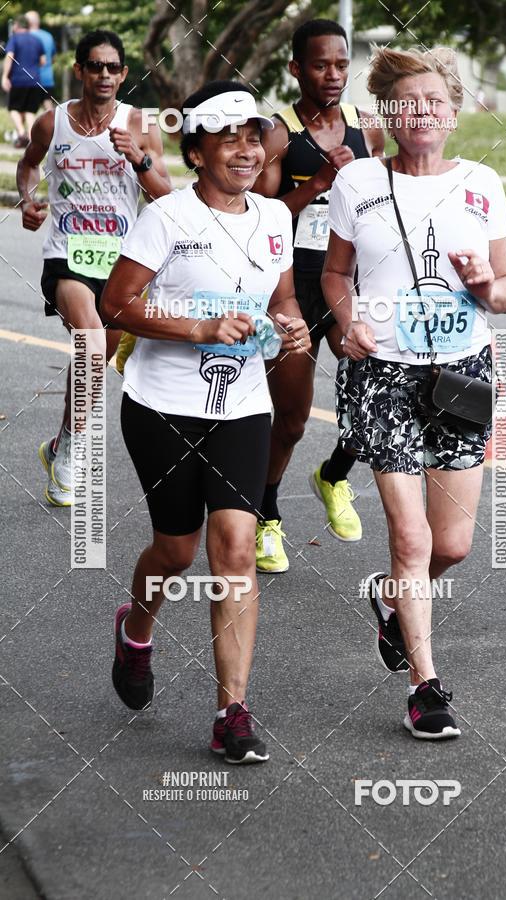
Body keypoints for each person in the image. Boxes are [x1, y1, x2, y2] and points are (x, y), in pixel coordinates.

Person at [100, 81, 310, 764]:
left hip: (242, 405)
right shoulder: (167, 217)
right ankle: (136, 628)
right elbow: (116, 304)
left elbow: (281, 296)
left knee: (235, 549)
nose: (247, 151)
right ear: (196, 150)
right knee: (177, 551)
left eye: (255, 137)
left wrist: (292, 326)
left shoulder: (276, 218)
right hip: (162, 404)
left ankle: (232, 710)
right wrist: (199, 327)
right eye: (230, 138)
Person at [322, 47, 506, 739]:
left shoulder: (482, 183)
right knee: (410, 536)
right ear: (388, 114)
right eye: (407, 102)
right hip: (384, 377)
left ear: (454, 112)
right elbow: (333, 275)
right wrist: (345, 325)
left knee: (454, 545)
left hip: (462, 374)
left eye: (434, 100)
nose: (422, 112)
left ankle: (388, 600)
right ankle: (425, 686)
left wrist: (481, 287)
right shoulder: (357, 184)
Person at [16, 29, 171, 506]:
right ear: (80, 70)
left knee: (93, 358)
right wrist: (29, 199)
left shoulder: (139, 123)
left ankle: (63, 438)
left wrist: (138, 157)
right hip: (68, 254)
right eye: (95, 66)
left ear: (123, 74)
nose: (104, 75)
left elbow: (164, 194)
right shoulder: (52, 122)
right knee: (88, 340)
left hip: (123, 261)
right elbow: (28, 165)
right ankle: (73, 454)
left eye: (113, 68)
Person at [252, 19, 385, 573]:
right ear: (296, 69)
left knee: (376, 394)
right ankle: (266, 514)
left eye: (340, 63)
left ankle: (333, 476)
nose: (332, 75)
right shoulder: (278, 133)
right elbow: (261, 214)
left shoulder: (368, 127)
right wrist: (316, 185)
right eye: (319, 64)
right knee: (291, 419)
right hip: (293, 284)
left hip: (350, 278)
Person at [2, 16, 45, 146]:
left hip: (18, 80)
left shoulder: (14, 39)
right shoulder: (37, 40)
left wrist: (4, 76)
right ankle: (32, 139)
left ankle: (21, 133)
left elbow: (10, 56)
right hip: (35, 81)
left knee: (13, 108)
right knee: (30, 111)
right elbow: (43, 61)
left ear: (16, 25)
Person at [25, 10, 56, 112]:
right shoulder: (48, 36)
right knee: (48, 105)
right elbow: (53, 58)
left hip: (29, 78)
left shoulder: (24, 37)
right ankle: (54, 127)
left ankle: (24, 128)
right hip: (47, 78)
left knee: (26, 109)